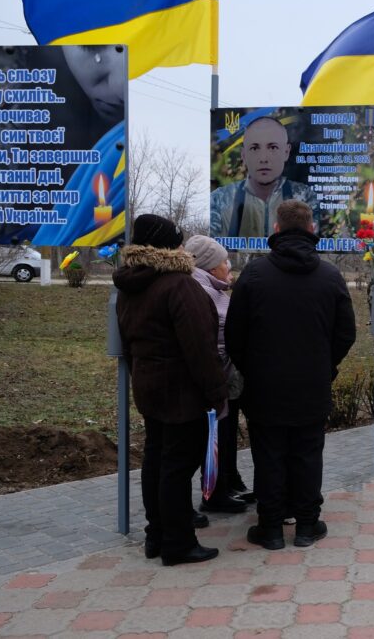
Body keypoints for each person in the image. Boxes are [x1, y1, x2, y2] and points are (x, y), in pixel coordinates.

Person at [226, 200, 356, 550]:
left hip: (265, 386)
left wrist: (252, 368)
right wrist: (323, 366)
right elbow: (346, 334)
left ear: (277, 229)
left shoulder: (254, 275)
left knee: (268, 454)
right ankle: (307, 526)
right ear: (312, 229)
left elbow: (234, 335)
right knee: (308, 453)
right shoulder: (330, 276)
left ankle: (269, 529)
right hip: (312, 383)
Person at [113, 214, 227, 566]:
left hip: (149, 385)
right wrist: (215, 391)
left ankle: (156, 536)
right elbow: (199, 347)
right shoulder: (178, 285)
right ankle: (178, 542)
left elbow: (130, 343)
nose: (183, 247)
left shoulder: (130, 284)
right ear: (167, 246)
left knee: (157, 459)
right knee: (177, 466)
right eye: (178, 241)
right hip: (182, 391)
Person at [184, 235, 251, 515]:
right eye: (225, 261)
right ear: (211, 267)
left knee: (223, 434)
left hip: (223, 374)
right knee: (214, 436)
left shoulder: (211, 287)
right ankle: (214, 492)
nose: (229, 265)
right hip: (215, 376)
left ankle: (226, 483)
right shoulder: (202, 291)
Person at [210, 116, 320, 238]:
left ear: (286, 152)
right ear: (244, 155)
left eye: (273, 147)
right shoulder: (219, 200)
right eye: (255, 148)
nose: (263, 159)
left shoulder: (306, 198)